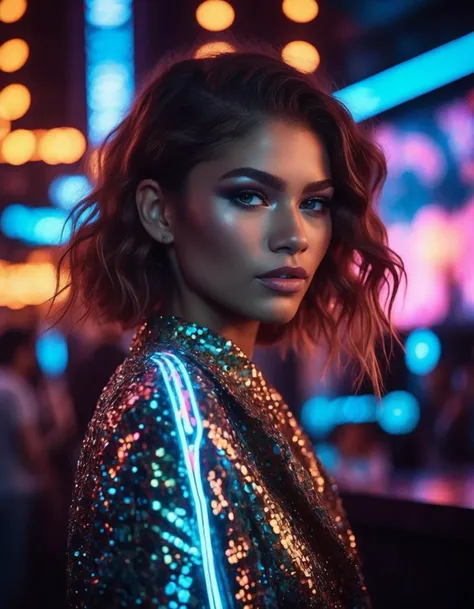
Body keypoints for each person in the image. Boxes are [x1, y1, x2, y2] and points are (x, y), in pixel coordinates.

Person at [56, 43, 404, 608]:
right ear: (159, 212)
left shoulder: (223, 387)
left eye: (313, 203)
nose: (293, 235)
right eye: (250, 196)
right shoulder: (171, 407)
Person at [0, 328, 58, 609]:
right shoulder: (15, 388)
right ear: (20, 352)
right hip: (19, 489)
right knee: (14, 570)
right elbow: (31, 449)